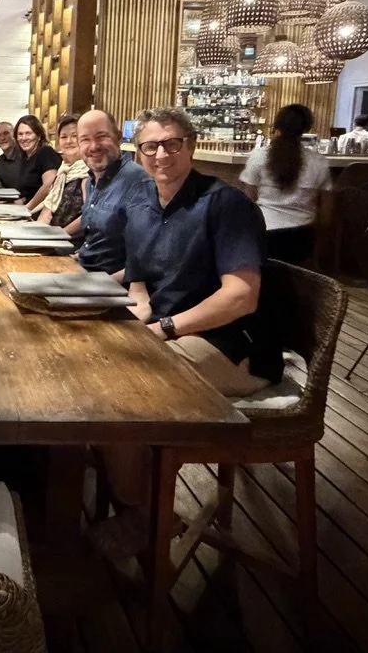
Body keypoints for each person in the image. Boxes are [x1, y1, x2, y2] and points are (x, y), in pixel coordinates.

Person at [95, 108, 278, 552]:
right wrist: (129, 319)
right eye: (150, 146)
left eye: (172, 143)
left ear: (191, 146)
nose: (161, 154)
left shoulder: (224, 203)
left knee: (122, 389)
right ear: (137, 154)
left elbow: (241, 296)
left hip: (234, 346)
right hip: (170, 332)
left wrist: (165, 328)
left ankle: (146, 517)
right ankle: (128, 501)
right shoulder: (142, 206)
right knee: (86, 364)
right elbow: (139, 288)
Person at [239, 104, 331, 265]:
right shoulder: (318, 162)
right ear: (307, 127)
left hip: (265, 234)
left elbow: (249, 201)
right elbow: (327, 212)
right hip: (302, 239)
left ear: (277, 125)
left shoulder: (259, 156)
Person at [72, 109, 156, 275]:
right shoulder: (90, 182)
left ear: (118, 137)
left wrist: (103, 284)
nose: (94, 146)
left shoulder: (139, 181)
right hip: (83, 271)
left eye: (102, 137)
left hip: (110, 285)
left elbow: (148, 256)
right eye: (85, 140)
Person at [34, 114, 89, 231]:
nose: (69, 141)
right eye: (64, 137)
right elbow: (47, 211)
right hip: (52, 236)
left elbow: (89, 215)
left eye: (75, 136)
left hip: (71, 241)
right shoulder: (63, 171)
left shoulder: (90, 173)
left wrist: (61, 235)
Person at [13, 114, 61, 206]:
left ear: (39, 136)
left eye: (28, 133)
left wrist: (27, 207)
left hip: (41, 213)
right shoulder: (26, 157)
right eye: (20, 134)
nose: (24, 138)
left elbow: (49, 186)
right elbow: (31, 191)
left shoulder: (46, 152)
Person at [0, 121, 23, 188]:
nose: (2, 138)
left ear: (15, 135)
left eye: (6, 133)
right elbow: (1, 189)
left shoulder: (26, 157)